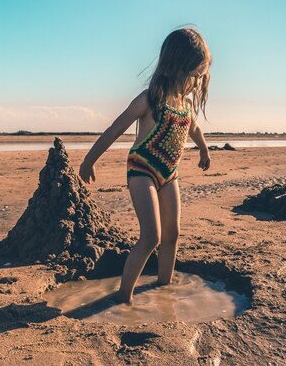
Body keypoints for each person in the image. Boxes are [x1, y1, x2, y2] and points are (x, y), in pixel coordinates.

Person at [79, 27, 212, 303]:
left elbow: (195, 130)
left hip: (169, 174)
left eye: (201, 77)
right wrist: (89, 160)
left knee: (172, 234)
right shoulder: (150, 99)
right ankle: (123, 298)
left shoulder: (185, 105)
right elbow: (115, 129)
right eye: (194, 76)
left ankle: (163, 290)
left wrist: (203, 150)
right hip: (142, 170)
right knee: (151, 235)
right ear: (176, 67)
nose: (197, 83)